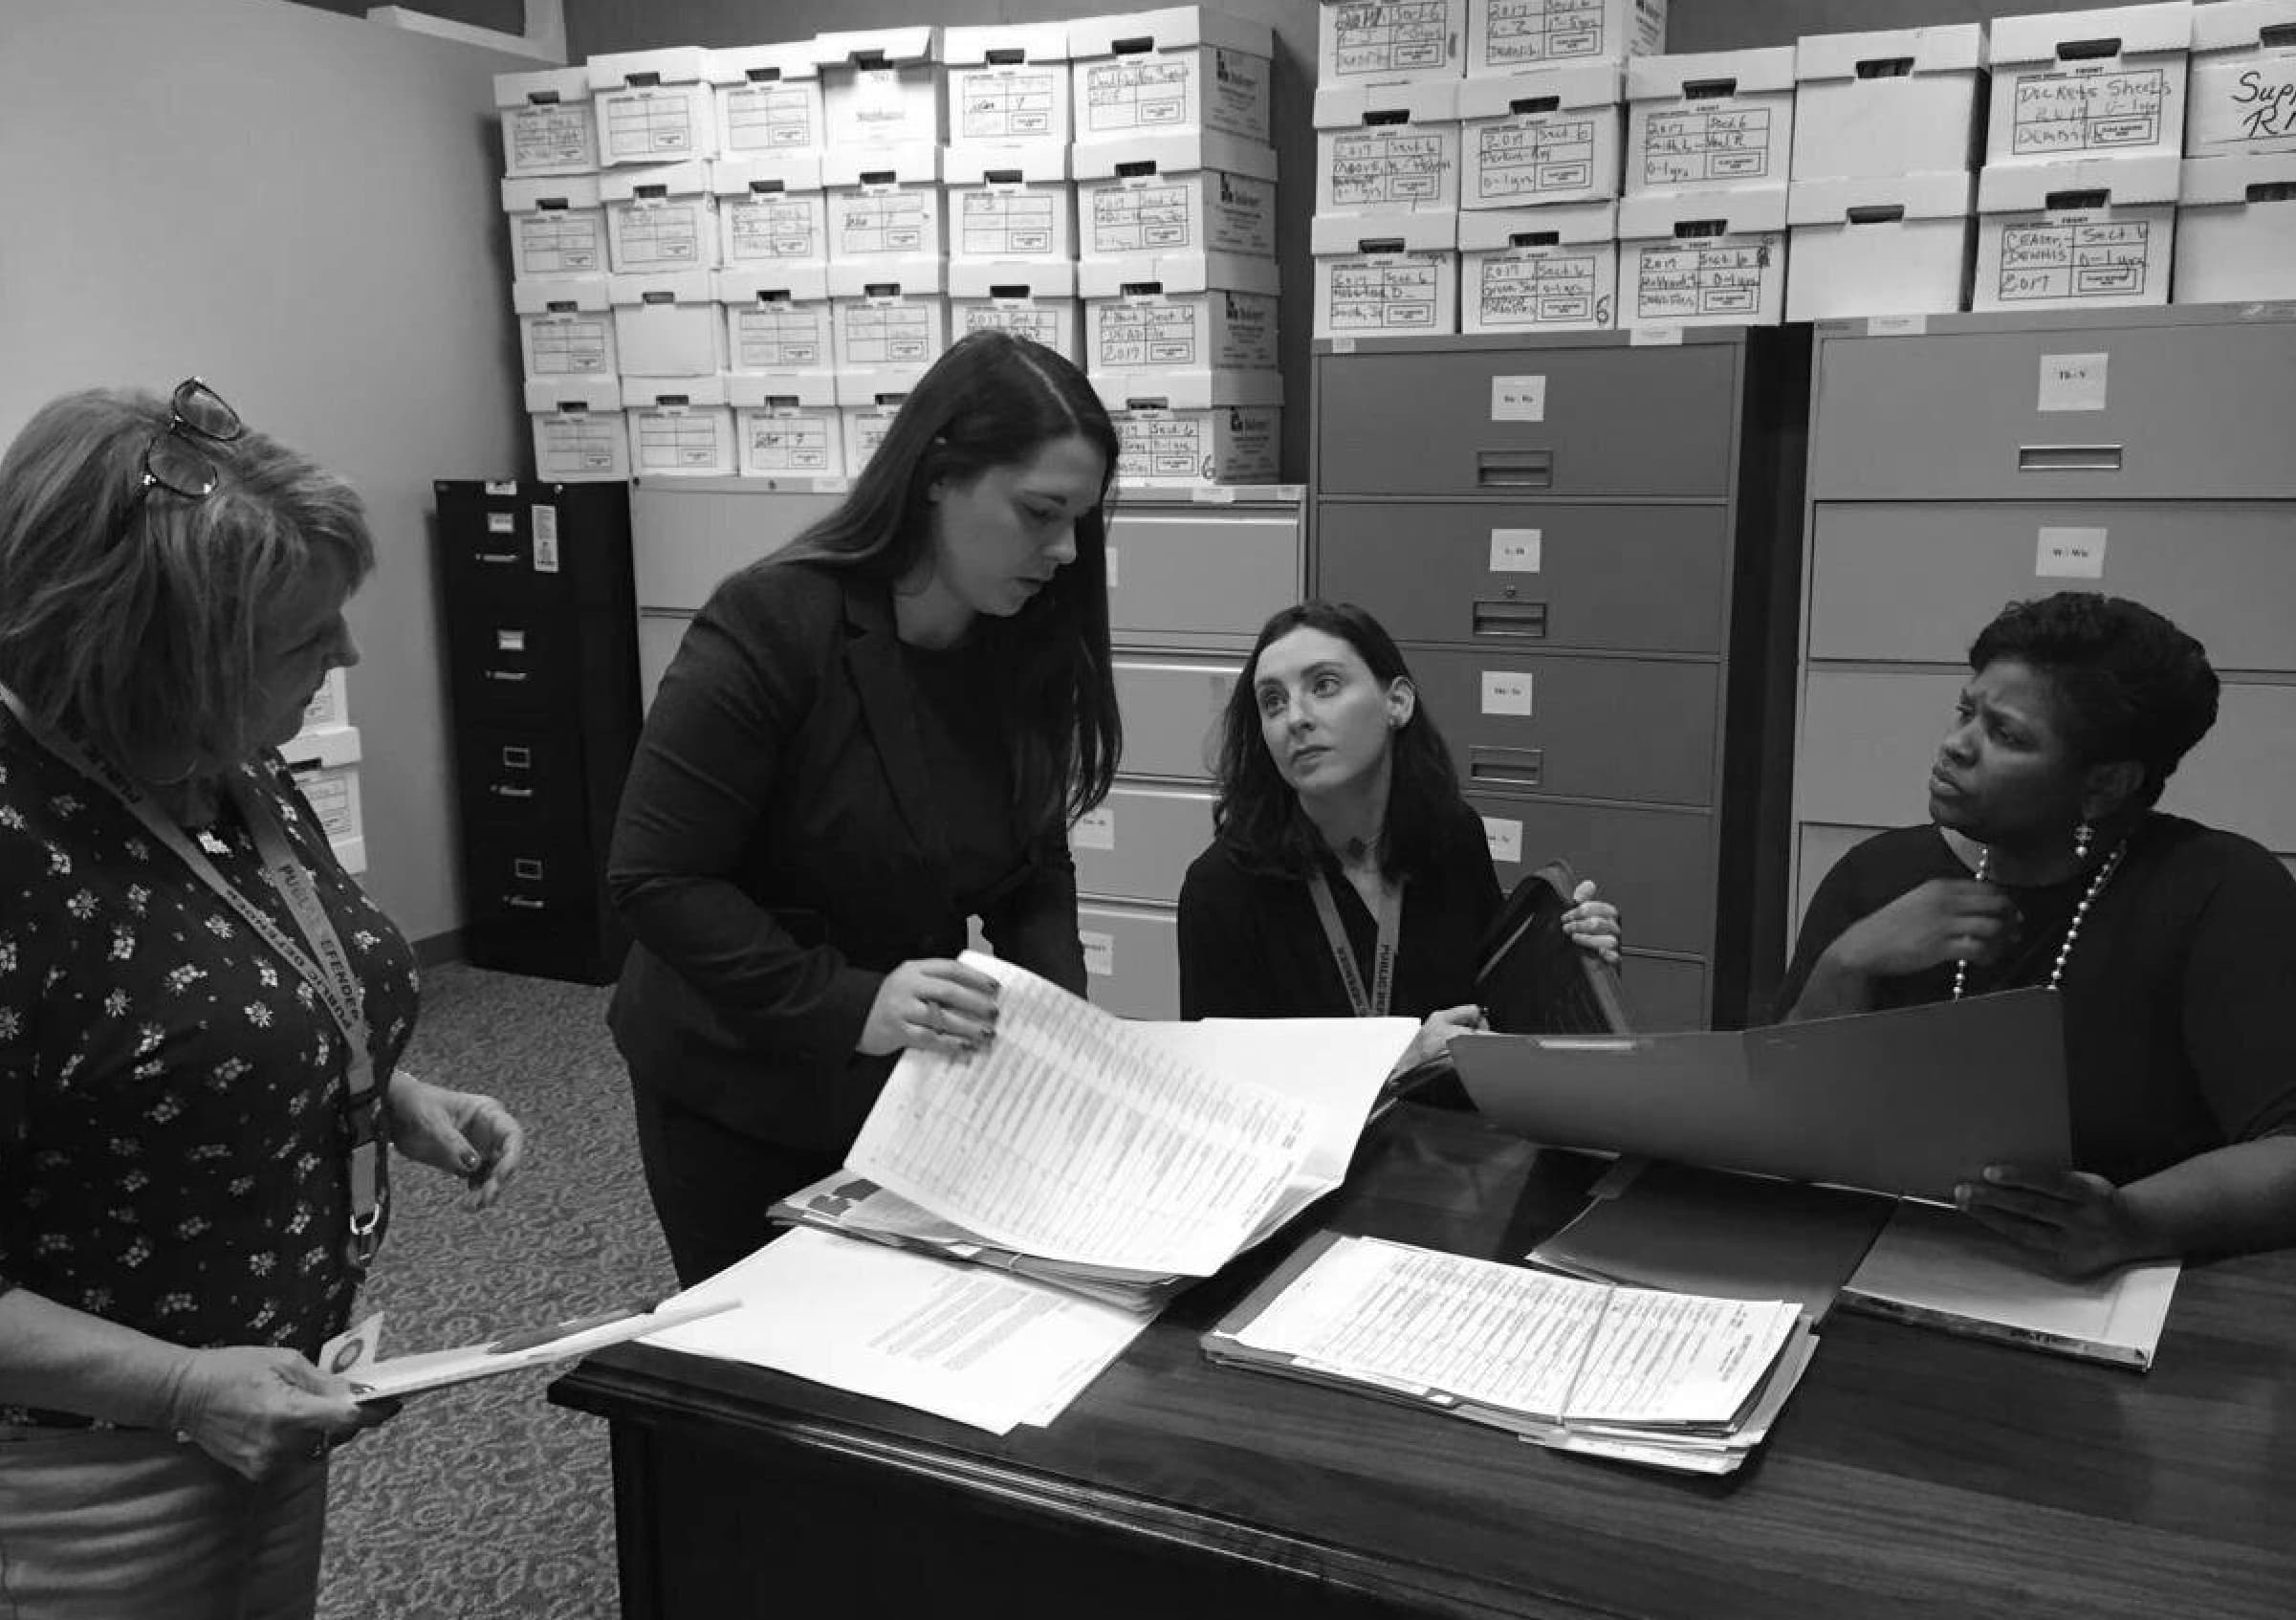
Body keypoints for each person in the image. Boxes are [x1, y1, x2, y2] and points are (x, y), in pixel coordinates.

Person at [0, 380, 526, 1616]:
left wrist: (382, 1087)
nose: (344, 658)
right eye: (301, 636)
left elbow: (226, 977)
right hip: (75, 1467)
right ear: (142, 648)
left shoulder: (215, 755)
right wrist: (181, 1389)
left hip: (268, 1399)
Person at [608, 329, 1122, 1289]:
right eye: (1039, 512)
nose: (1061, 550)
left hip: (901, 1077)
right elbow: (656, 876)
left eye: (1078, 522)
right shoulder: (774, 621)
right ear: (936, 475)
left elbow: (1032, 867)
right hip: (733, 1064)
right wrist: (849, 1001)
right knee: (765, 1351)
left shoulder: (1018, 641)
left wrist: (1062, 1032)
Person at [1778, 592, 2296, 1276]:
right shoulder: (1878, 875)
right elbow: (1779, 1119)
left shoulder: (2219, 890)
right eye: (1965, 712)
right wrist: (1844, 966)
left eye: (2006, 735)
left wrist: (2132, 1222)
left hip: (2126, 1292)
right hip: (1879, 1261)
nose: (1955, 745)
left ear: (2105, 783)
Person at [1177, 601, 1621, 1075]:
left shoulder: (1452, 835)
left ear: (1397, 702)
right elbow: (1225, 1096)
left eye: (1323, 685)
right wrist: (1397, 1068)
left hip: (1454, 1139)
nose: (1296, 718)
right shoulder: (1220, 889)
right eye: (1272, 701)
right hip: (1323, 1148)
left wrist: (1574, 964)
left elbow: (1494, 1013)